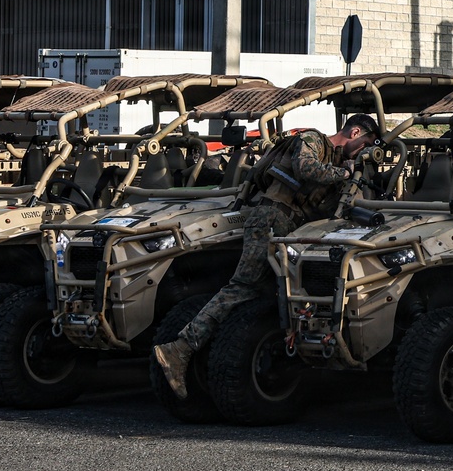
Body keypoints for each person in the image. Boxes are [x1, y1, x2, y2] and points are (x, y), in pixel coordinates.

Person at [154, 113, 380, 399]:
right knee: (242, 287)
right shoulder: (313, 140)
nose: (363, 150)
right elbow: (306, 168)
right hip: (271, 218)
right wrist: (345, 174)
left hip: (286, 226)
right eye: (364, 143)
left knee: (270, 292)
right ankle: (179, 349)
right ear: (354, 131)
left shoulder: (334, 159)